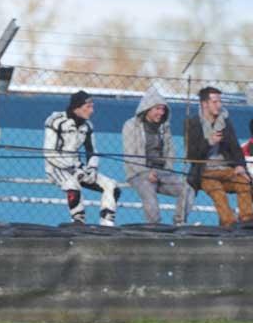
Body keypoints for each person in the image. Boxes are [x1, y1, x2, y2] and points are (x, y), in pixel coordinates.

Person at [43, 90, 120, 226]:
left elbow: (92, 151)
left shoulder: (88, 126)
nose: (92, 111)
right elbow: (49, 152)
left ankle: (107, 224)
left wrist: (92, 168)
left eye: (92, 106)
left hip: (77, 166)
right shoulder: (55, 121)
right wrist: (72, 170)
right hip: (56, 166)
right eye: (88, 107)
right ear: (77, 107)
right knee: (72, 185)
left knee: (111, 186)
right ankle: (78, 222)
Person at [122, 87, 193, 225]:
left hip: (162, 172)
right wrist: (145, 172)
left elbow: (170, 152)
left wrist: (167, 170)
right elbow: (130, 155)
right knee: (150, 197)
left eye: (163, 109)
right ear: (147, 108)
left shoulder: (164, 127)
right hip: (139, 173)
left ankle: (179, 223)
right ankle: (154, 228)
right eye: (158, 109)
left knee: (188, 189)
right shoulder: (131, 126)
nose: (161, 113)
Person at [185, 87, 253, 227]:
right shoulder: (193, 123)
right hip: (205, 172)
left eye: (220, 101)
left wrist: (240, 166)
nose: (219, 105)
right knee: (217, 192)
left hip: (227, 169)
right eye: (215, 102)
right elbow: (191, 155)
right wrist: (209, 142)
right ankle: (229, 224)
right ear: (205, 104)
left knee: (244, 183)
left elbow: (235, 148)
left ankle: (247, 221)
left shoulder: (225, 121)